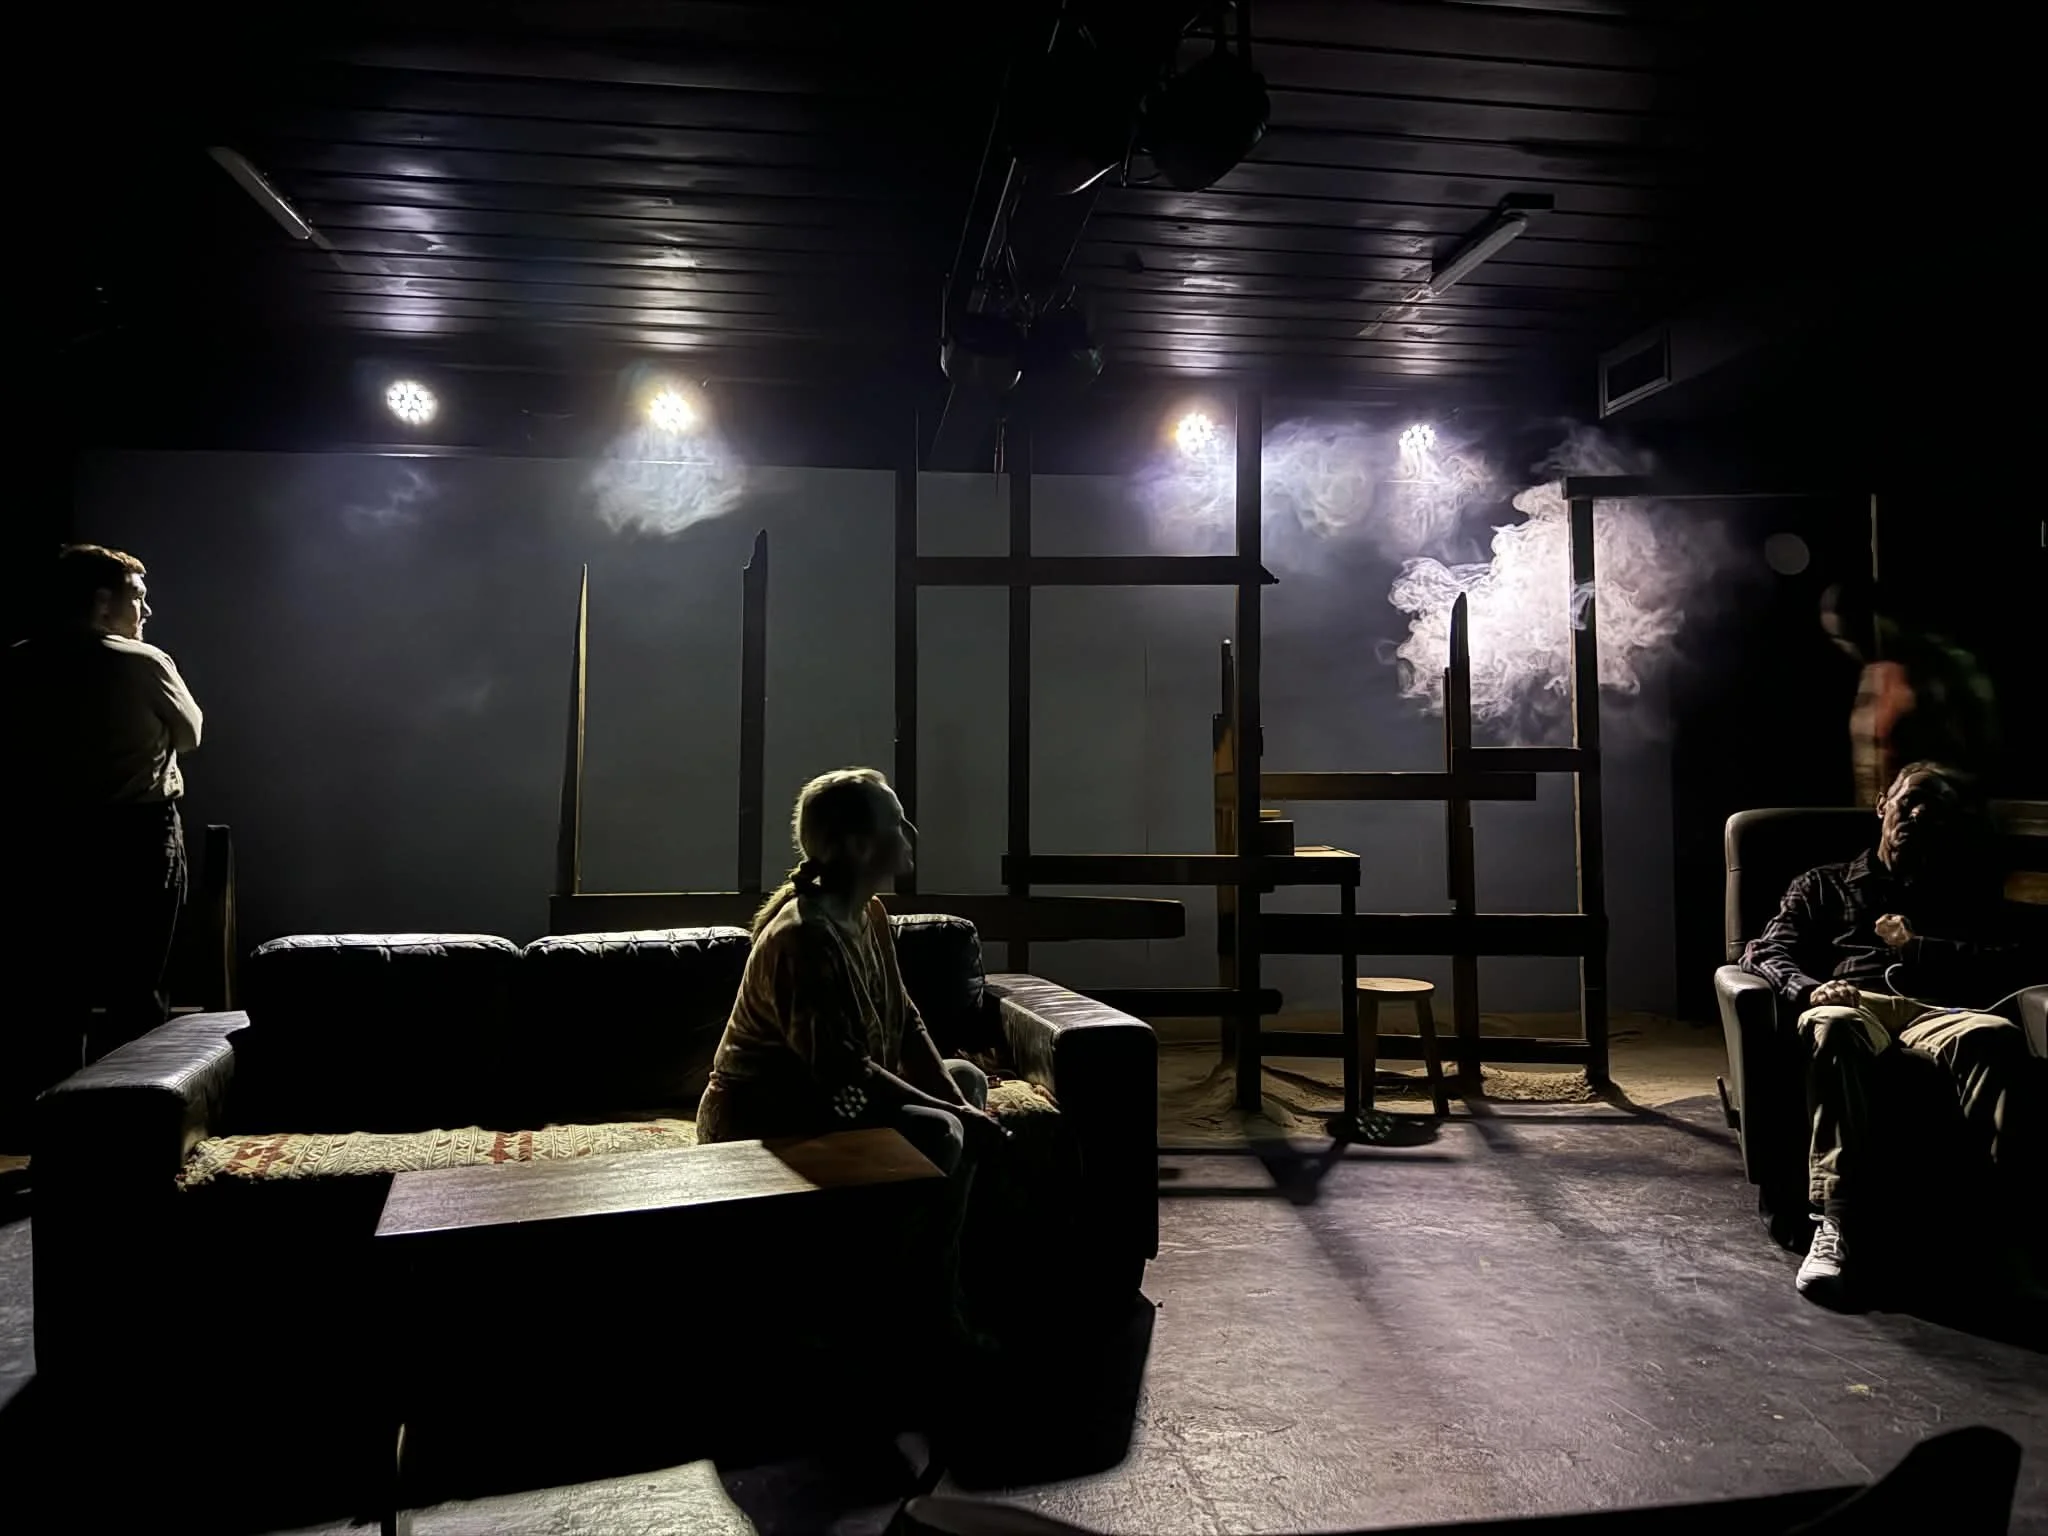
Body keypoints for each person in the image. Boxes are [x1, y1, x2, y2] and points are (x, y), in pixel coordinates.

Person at [1742, 762, 2040, 1307]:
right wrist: (1811, 990)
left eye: (1936, 807)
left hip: (1937, 1010)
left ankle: (2003, 1231)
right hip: (1853, 1003)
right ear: (1884, 804)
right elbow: (1764, 950)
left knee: (1993, 1034)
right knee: (1831, 1027)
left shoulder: (1962, 891)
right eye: (1911, 800)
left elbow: (2010, 961)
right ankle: (1836, 1223)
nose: (1920, 813)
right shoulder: (1824, 883)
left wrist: (1917, 946)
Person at [2, 545, 203, 1140]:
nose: (146, 609)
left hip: (43, 839)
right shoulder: (141, 663)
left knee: (50, 988)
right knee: (135, 987)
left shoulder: (17, 663)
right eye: (136, 597)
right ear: (100, 602)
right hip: (136, 837)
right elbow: (191, 734)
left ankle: (48, 1127)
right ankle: (129, 1129)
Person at [1821, 580, 1999, 807]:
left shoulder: (1947, 670)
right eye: (1840, 638)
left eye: (1854, 633)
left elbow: (1980, 755)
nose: (1850, 647)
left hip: (1933, 820)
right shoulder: (1873, 677)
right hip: (1884, 819)